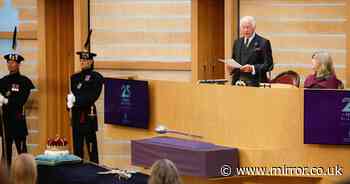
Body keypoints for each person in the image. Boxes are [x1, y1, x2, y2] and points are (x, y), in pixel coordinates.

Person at [67, 30, 103, 163]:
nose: (83, 62)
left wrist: (76, 100)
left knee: (92, 149)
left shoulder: (96, 77)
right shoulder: (74, 77)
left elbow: (92, 96)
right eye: (81, 59)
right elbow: (70, 93)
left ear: (91, 61)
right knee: (77, 149)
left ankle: (95, 171)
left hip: (88, 116)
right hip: (76, 116)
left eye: (86, 59)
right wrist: (68, 102)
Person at [0, 27, 35, 167]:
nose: (10, 64)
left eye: (13, 62)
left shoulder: (24, 82)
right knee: (5, 155)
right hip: (5, 122)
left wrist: (7, 100)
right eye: (8, 62)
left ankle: (26, 177)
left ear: (19, 64)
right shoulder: (2, 81)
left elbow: (21, 101)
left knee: (22, 154)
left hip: (18, 121)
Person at [227, 16, 273, 86]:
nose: (245, 30)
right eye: (243, 27)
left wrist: (252, 68)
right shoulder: (237, 42)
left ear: (254, 28)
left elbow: (269, 65)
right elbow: (234, 61)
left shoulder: (263, 42)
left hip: (256, 84)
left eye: (248, 27)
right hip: (237, 83)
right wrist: (231, 68)